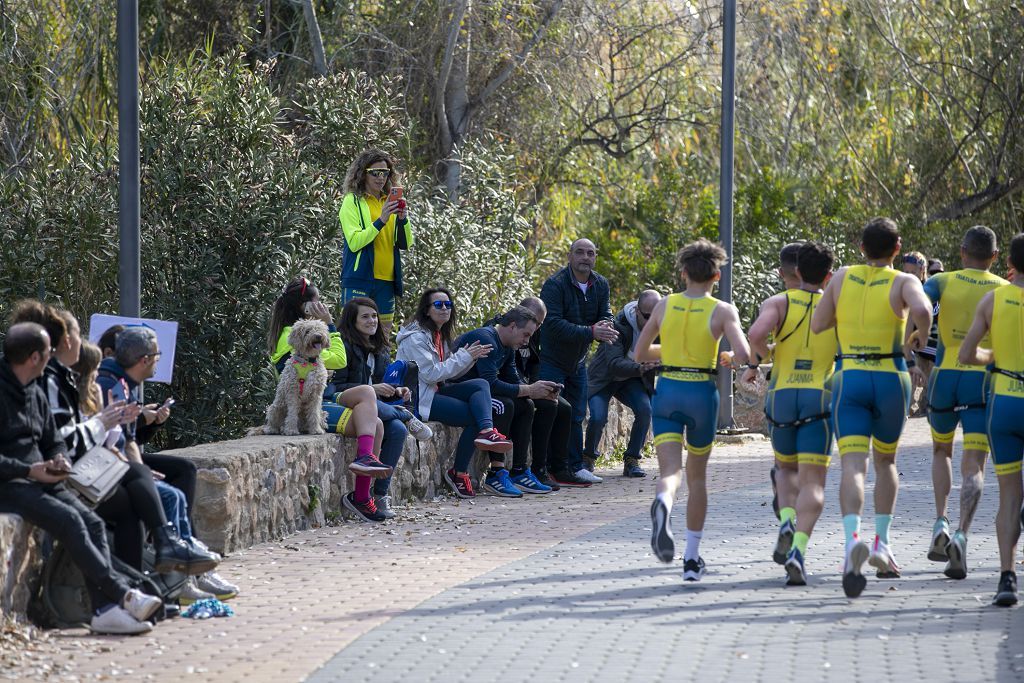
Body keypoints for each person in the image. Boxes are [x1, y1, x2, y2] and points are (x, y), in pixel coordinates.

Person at [12, 303, 220, 582]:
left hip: (69, 468)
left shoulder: (58, 381)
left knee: (152, 484)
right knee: (149, 487)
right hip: (54, 477)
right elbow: (66, 440)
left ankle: (142, 583)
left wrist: (138, 424)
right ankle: (150, 576)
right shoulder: (62, 383)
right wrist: (104, 424)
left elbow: (61, 438)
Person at [0, 322, 163, 635]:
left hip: (40, 477)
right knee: (70, 522)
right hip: (11, 483)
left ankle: (104, 611)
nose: (54, 360)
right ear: (34, 357)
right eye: (49, 353)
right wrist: (27, 470)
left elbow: (52, 437)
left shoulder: (33, 389)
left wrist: (58, 458)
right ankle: (122, 594)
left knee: (93, 523)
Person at [811, 217, 932, 598]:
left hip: (850, 375)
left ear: (861, 247)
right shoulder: (904, 281)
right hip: (889, 375)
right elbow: (925, 310)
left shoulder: (843, 276)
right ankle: (882, 543)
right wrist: (917, 338)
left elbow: (818, 325)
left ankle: (851, 543)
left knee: (852, 465)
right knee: (886, 462)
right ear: (897, 248)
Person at [74, 337, 238, 601]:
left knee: (179, 477)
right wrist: (139, 472)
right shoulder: (111, 384)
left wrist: (147, 434)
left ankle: (182, 568)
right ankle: (176, 572)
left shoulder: (122, 384)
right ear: (145, 359)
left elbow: (125, 441)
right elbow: (107, 442)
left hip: (113, 465)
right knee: (168, 495)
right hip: (93, 473)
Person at [636, 239, 752, 582]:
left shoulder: (664, 306)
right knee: (698, 477)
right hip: (702, 392)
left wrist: (669, 350)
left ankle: (664, 503)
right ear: (716, 275)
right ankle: (690, 558)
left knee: (670, 471)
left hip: (668, 390)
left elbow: (640, 352)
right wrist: (730, 357)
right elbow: (744, 354)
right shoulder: (722, 310)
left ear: (683, 272)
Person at [743, 242, 837, 585]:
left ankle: (786, 520)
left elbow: (754, 334)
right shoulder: (834, 304)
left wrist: (758, 358)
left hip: (782, 395)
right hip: (819, 396)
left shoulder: (778, 302)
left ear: (790, 272)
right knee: (814, 480)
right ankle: (798, 549)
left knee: (784, 468)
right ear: (826, 274)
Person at [917, 227, 1006, 580]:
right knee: (975, 464)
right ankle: (962, 536)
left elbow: (919, 304)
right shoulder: (1003, 288)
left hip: (943, 376)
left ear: (962, 250)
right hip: (980, 378)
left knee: (942, 452)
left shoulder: (943, 281)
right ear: (995, 257)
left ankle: (940, 520)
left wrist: (918, 335)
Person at [265, 277, 393, 519]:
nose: (322, 305)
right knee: (369, 402)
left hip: (319, 403)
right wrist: (330, 325)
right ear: (305, 306)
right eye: (317, 301)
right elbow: (339, 359)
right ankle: (365, 472)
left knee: (376, 426)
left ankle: (362, 497)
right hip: (309, 408)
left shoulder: (312, 332)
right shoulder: (290, 335)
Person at [395, 287, 513, 499]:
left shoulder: (439, 335)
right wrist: (465, 357)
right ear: (427, 310)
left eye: (448, 305)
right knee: (474, 416)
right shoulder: (415, 338)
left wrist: (471, 359)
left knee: (480, 385)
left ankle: (487, 432)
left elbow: (447, 372)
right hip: (418, 398)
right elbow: (431, 374)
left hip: (435, 390)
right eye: (438, 305)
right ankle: (459, 473)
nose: (444, 309)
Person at [958, 232, 1024, 605]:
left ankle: (1006, 577)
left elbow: (968, 355)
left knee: (1009, 494)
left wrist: (993, 356)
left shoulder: (993, 300)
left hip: (1004, 405)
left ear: (1010, 264)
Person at [333, 297, 433, 521]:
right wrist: (371, 388)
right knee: (370, 396)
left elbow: (382, 384)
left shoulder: (380, 349)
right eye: (365, 316)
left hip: (372, 405)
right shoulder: (343, 345)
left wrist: (397, 391)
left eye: (374, 315)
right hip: (343, 401)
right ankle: (406, 415)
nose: (372, 321)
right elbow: (335, 386)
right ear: (352, 320)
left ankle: (379, 495)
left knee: (397, 430)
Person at [454, 306, 562, 496]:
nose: (527, 341)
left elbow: (512, 379)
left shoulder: (509, 346)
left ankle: (519, 471)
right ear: (512, 326)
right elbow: (489, 383)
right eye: (526, 335)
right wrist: (529, 389)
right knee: (505, 405)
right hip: (460, 392)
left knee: (527, 405)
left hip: (482, 392)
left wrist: (538, 391)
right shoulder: (486, 339)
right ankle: (496, 473)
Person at [538, 238, 618, 487]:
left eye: (590, 253)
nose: (585, 257)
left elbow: (605, 312)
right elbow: (552, 324)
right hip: (552, 360)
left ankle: (574, 467)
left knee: (576, 414)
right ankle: (546, 468)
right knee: (550, 413)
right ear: (570, 256)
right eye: (580, 252)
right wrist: (591, 332)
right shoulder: (555, 285)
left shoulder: (600, 283)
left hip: (579, 361)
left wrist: (606, 325)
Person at [583, 290, 662, 478]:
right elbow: (614, 364)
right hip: (604, 379)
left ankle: (632, 460)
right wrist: (641, 368)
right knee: (598, 417)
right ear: (636, 311)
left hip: (631, 380)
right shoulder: (617, 326)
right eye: (648, 317)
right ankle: (587, 459)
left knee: (645, 410)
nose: (653, 322)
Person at [338, 149, 413, 339]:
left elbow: (406, 243)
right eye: (375, 173)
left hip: (386, 281)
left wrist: (403, 219)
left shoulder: (388, 201)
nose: (381, 178)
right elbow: (355, 242)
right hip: (360, 278)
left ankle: (379, 370)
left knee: (383, 339)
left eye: (385, 173)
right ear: (363, 173)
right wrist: (381, 220)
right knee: (354, 337)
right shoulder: (352, 201)